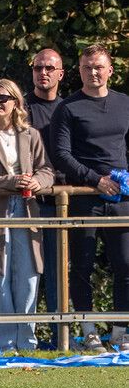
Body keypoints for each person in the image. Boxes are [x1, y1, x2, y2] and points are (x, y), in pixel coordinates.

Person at [51, 44, 129, 352]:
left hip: (121, 196)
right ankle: (89, 329)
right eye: (87, 67)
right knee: (81, 265)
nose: (93, 72)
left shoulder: (125, 103)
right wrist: (95, 180)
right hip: (84, 196)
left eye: (98, 67)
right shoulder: (68, 108)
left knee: (125, 265)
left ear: (110, 70)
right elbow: (60, 154)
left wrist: (122, 180)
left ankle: (121, 330)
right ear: (79, 71)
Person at [0, 79, 54, 351]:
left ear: (15, 101)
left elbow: (47, 170)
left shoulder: (31, 135)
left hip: (27, 209)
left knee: (28, 275)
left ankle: (27, 341)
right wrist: (10, 181)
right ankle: (3, 343)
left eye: (3, 98)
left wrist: (37, 182)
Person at [25, 48, 64, 348]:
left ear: (61, 73)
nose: (44, 73)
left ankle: (61, 334)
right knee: (29, 274)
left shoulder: (69, 109)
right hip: (30, 201)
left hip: (64, 199)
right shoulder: (21, 109)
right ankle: (25, 336)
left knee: (62, 271)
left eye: (50, 68)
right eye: (38, 67)